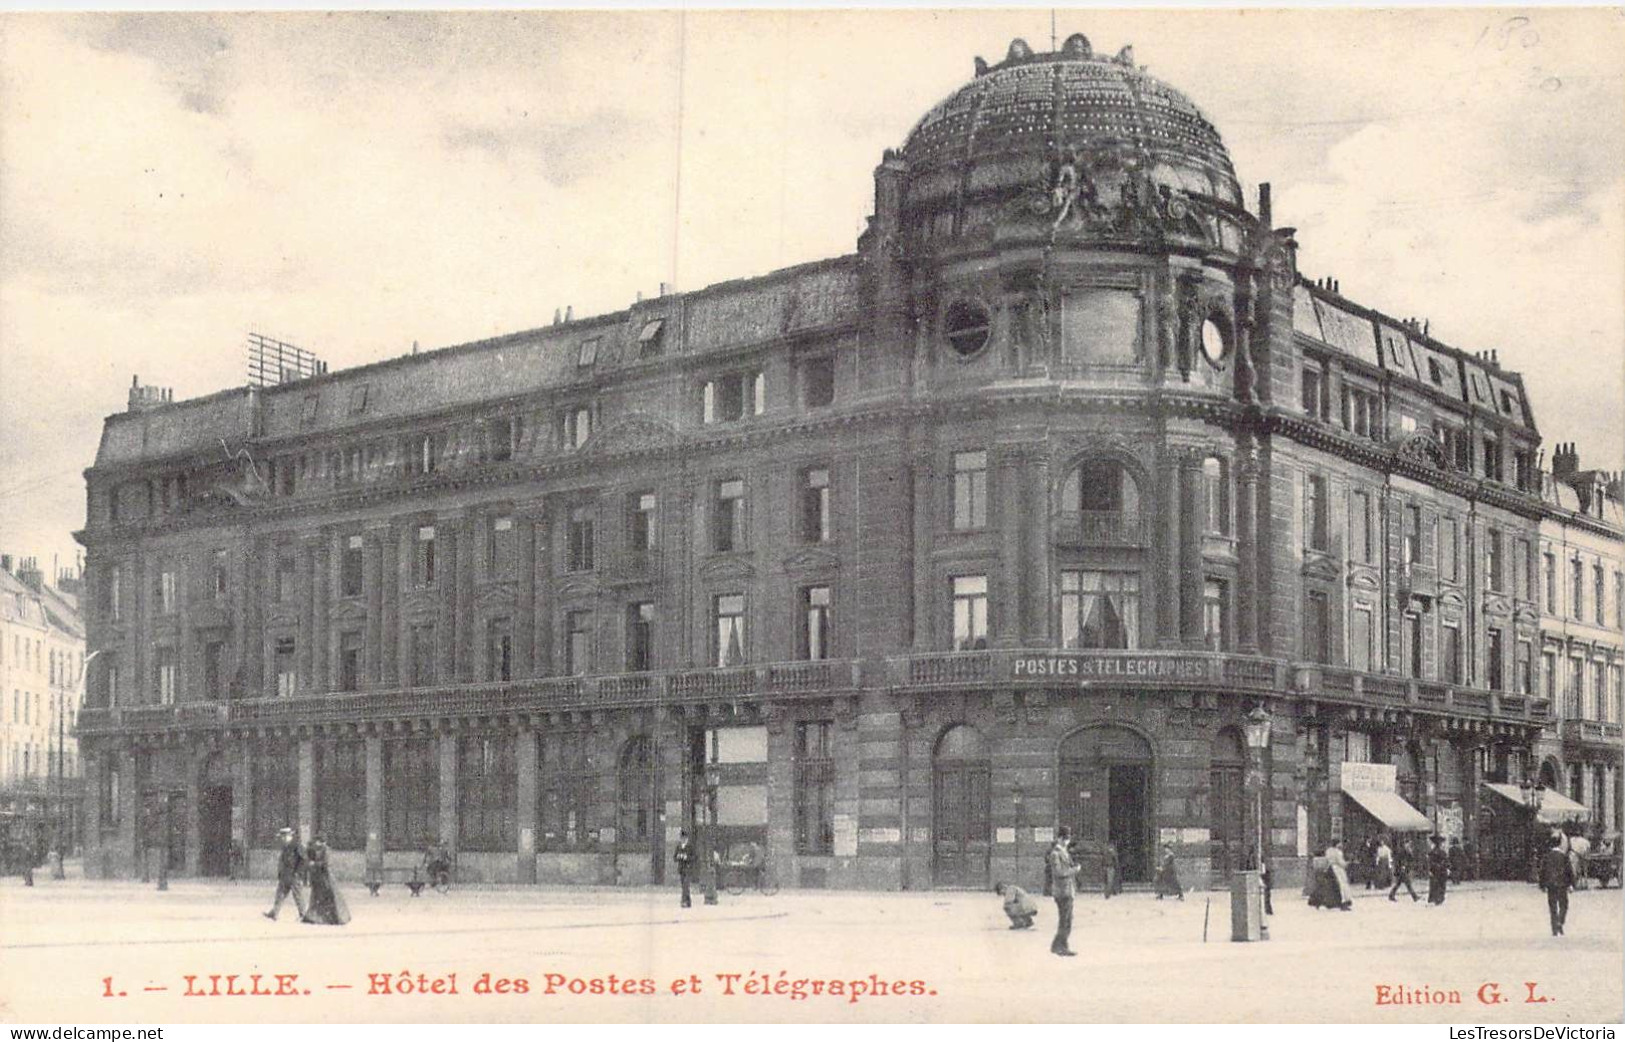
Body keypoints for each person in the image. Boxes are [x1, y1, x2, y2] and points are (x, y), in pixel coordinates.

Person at [300, 837, 350, 926]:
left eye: (318, 842)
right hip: (319, 877)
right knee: (318, 898)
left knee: (328, 898)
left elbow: (325, 864)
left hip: (326, 878)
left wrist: (315, 864)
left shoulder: (326, 850)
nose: (316, 844)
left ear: (321, 842)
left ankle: (334, 918)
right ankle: (316, 917)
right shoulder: (319, 850)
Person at [1046, 827, 1079, 957]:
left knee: (1067, 919)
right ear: (1059, 838)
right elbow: (1059, 872)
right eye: (1065, 838)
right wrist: (1074, 870)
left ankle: (1058, 945)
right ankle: (1061, 946)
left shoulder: (1064, 852)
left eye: (1068, 838)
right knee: (1065, 919)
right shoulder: (1055, 854)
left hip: (1067, 889)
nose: (1067, 841)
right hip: (1062, 891)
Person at [263, 827, 307, 921]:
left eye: (283, 837)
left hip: (294, 876)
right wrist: (280, 873)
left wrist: (298, 873)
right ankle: (274, 913)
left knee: (297, 895)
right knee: (280, 894)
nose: (282, 839)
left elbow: (303, 860)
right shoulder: (285, 846)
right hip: (285, 875)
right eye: (281, 837)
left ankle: (303, 914)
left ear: (289, 836)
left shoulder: (297, 845)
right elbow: (282, 860)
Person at [1538, 833, 1574, 936]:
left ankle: (1554, 928)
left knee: (1552, 906)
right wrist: (1571, 884)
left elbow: (1542, 872)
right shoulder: (1564, 856)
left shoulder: (1546, 857)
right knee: (1564, 905)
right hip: (1562, 884)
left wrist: (1542, 885)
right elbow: (1569, 871)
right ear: (1559, 844)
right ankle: (1560, 921)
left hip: (1551, 885)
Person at [1324, 838, 1354, 910]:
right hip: (1338, 869)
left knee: (1332, 885)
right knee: (1342, 884)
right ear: (1337, 844)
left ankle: (1331, 902)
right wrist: (1347, 863)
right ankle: (1343, 901)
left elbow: (1327, 860)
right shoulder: (1338, 852)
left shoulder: (1328, 851)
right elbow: (1340, 862)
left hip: (1330, 868)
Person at [1389, 837, 1421, 902]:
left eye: (1409, 844)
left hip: (1403, 869)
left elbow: (1411, 859)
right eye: (1408, 844)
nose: (1409, 845)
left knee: (1398, 884)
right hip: (1402, 870)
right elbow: (1400, 860)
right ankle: (1415, 897)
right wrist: (1402, 867)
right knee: (1408, 884)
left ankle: (1391, 895)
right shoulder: (1402, 851)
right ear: (1405, 844)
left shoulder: (1407, 850)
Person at [674, 829, 695, 908]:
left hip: (688, 868)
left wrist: (687, 857)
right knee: (684, 886)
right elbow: (674, 857)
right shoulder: (678, 847)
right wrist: (678, 857)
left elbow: (694, 857)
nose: (682, 840)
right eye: (681, 838)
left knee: (686, 885)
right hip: (681, 869)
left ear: (686, 838)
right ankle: (688, 901)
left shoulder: (690, 847)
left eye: (684, 838)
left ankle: (683, 901)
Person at [1426, 834, 1450, 905]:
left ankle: (1434, 898)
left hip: (1435, 871)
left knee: (1435, 885)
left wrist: (1430, 869)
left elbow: (1430, 862)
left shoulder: (1432, 852)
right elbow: (1446, 861)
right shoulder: (1442, 852)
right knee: (1441, 885)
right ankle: (1439, 898)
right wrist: (1446, 867)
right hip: (1441, 871)